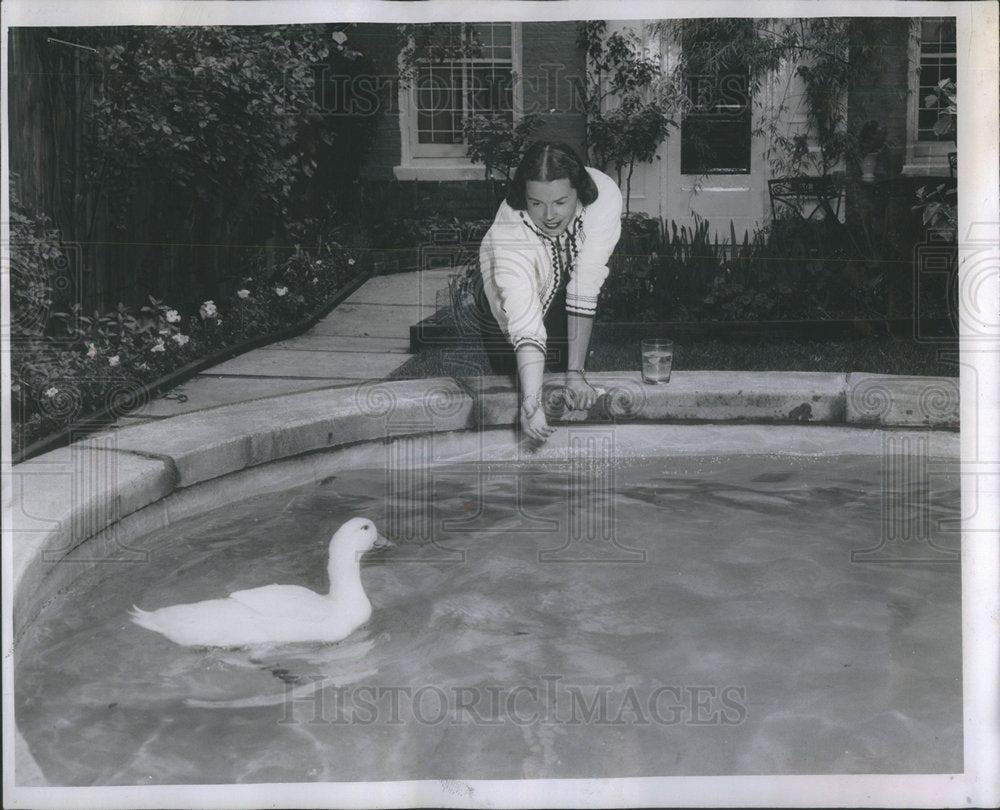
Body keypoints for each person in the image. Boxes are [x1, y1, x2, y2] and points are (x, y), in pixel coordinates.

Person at [476, 141, 623, 443]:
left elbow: (585, 281)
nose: (549, 215)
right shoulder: (510, 234)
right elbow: (524, 320)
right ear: (524, 197)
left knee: (567, 375)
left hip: (562, 283)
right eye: (536, 203)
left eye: (560, 202)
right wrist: (531, 402)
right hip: (504, 299)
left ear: (579, 191)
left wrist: (575, 373)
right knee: (517, 383)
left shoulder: (604, 196)